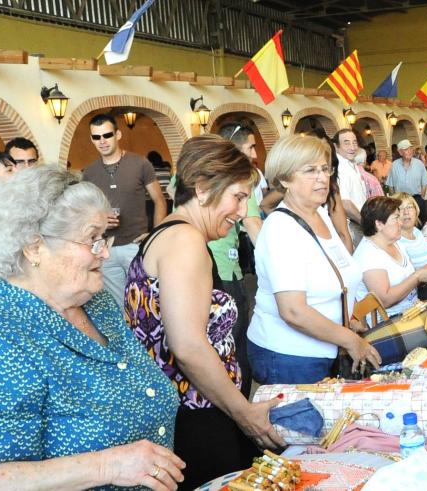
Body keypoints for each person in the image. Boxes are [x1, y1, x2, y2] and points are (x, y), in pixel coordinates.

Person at [0, 166, 184, 491]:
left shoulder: (95, 301)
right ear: (34, 248)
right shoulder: (4, 329)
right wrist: (108, 466)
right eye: (92, 239)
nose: (105, 253)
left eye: (103, 238)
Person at [124, 135, 284, 489]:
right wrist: (245, 415)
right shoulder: (186, 241)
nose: (243, 212)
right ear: (201, 188)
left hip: (192, 413)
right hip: (198, 421)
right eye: (238, 197)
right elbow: (189, 347)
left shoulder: (167, 234)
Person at [248, 134, 379, 384]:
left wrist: (346, 318)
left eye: (324, 169)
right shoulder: (281, 229)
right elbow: (293, 311)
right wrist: (350, 340)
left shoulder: (319, 213)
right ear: (285, 179)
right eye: (310, 170)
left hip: (325, 349)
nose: (321, 177)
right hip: (290, 357)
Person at [195, 123, 266, 397]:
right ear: (234, 148)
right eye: (249, 146)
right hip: (225, 268)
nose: (254, 152)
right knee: (235, 341)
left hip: (204, 266)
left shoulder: (195, 175)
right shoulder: (237, 180)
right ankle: (241, 404)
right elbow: (254, 228)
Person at [81, 114, 167, 301]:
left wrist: (155, 235)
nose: (102, 141)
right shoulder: (89, 172)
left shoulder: (140, 163)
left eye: (107, 135)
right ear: (92, 139)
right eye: (96, 137)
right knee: (118, 305)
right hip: (105, 248)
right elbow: (86, 211)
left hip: (135, 245)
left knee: (147, 299)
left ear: (118, 134)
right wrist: (99, 221)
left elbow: (159, 200)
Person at [353, 197, 427, 321]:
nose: (400, 223)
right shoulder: (368, 255)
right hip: (389, 322)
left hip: (412, 310)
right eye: (395, 218)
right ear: (379, 224)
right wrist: (417, 277)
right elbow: (385, 300)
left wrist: (425, 273)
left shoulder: (395, 243)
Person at [333, 129, 368, 246]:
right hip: (353, 225)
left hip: (358, 221)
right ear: (336, 146)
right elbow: (345, 204)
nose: (352, 147)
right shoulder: (340, 167)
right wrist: (366, 223)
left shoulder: (351, 164)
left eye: (354, 142)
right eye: (346, 143)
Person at [386, 139, 427, 223]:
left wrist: (421, 197)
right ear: (400, 152)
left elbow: (425, 182)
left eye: (411, 149)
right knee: (403, 223)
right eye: (406, 149)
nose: (410, 151)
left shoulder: (419, 164)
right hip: (400, 200)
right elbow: (390, 184)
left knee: (421, 222)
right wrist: (394, 200)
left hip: (416, 198)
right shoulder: (394, 165)